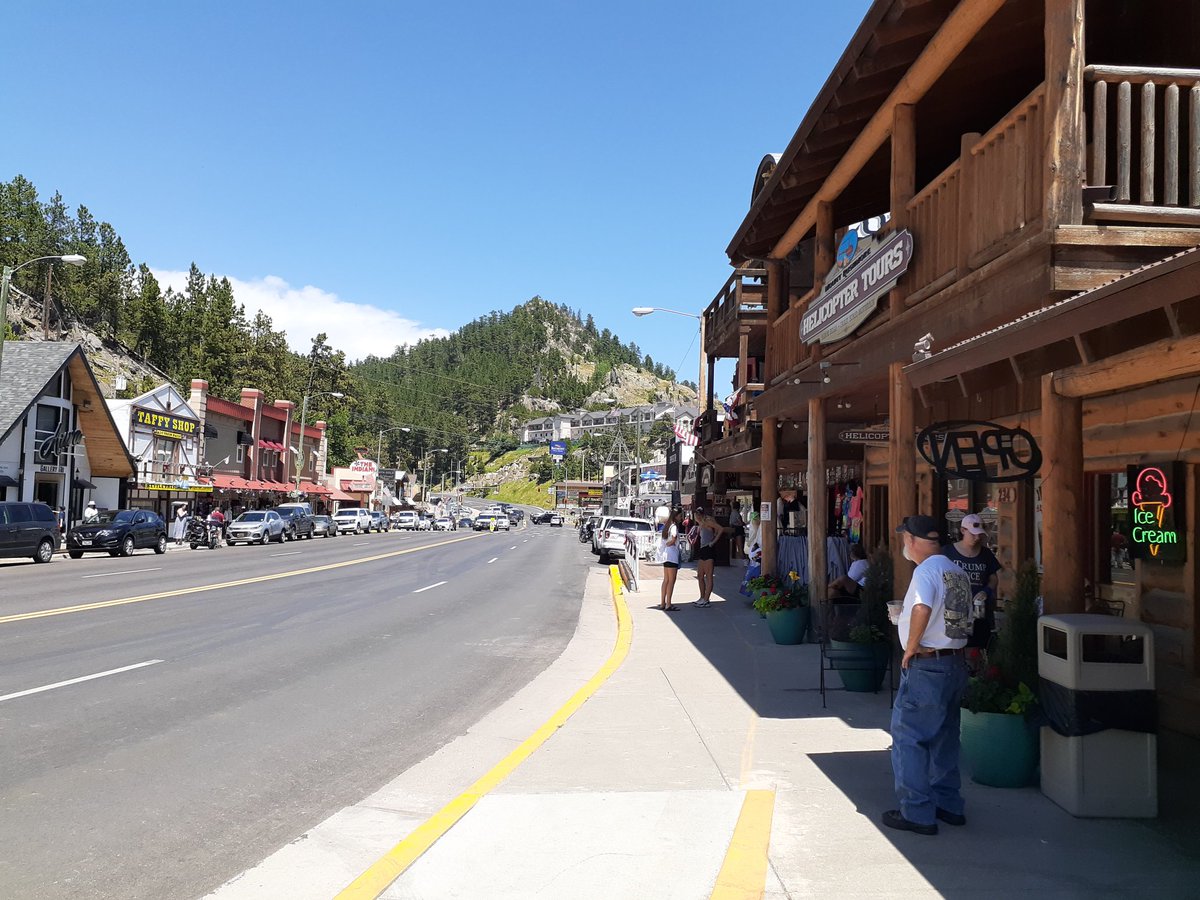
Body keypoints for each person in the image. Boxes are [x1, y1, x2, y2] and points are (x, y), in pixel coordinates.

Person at [885, 515, 973, 836]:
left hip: (929, 663)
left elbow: (921, 608)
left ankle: (917, 811)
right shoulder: (957, 570)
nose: (903, 544)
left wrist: (910, 646)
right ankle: (948, 803)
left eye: (905, 538)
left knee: (910, 736)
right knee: (946, 735)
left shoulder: (926, 571)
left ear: (912, 540)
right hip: (954, 661)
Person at [941, 513, 1001, 648]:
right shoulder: (947, 552)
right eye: (973, 534)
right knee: (954, 646)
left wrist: (987, 590)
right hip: (953, 610)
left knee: (979, 648)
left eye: (979, 534)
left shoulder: (986, 554)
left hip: (978, 611)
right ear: (963, 530)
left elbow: (993, 577)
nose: (977, 537)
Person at [692, 508, 730, 608]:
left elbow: (720, 528)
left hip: (709, 549)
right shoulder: (700, 524)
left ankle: (706, 599)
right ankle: (702, 597)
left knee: (708, 576)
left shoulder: (708, 521)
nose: (696, 516)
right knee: (700, 575)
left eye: (697, 514)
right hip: (702, 549)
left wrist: (713, 541)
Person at [658, 506, 683, 612]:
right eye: (680, 516)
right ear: (676, 516)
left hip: (666, 555)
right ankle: (668, 603)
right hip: (672, 555)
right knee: (671, 581)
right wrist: (671, 543)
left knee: (666, 580)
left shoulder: (666, 526)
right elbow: (673, 539)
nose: (681, 518)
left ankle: (663, 602)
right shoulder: (673, 527)